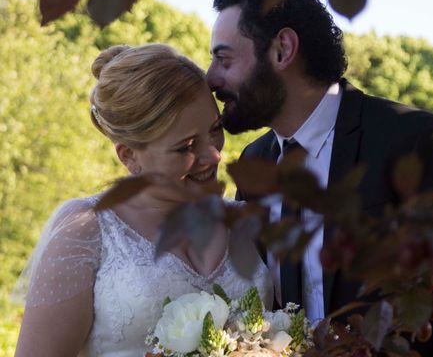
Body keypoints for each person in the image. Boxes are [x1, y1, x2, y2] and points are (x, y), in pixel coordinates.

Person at [206, 0, 433, 355]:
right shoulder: (254, 163)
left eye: (223, 58)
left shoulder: (416, 140)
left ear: (282, 49)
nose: (210, 77)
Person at [14, 44, 272, 357]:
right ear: (129, 155)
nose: (214, 154)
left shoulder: (250, 222)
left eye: (215, 129)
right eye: (185, 147)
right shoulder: (87, 229)